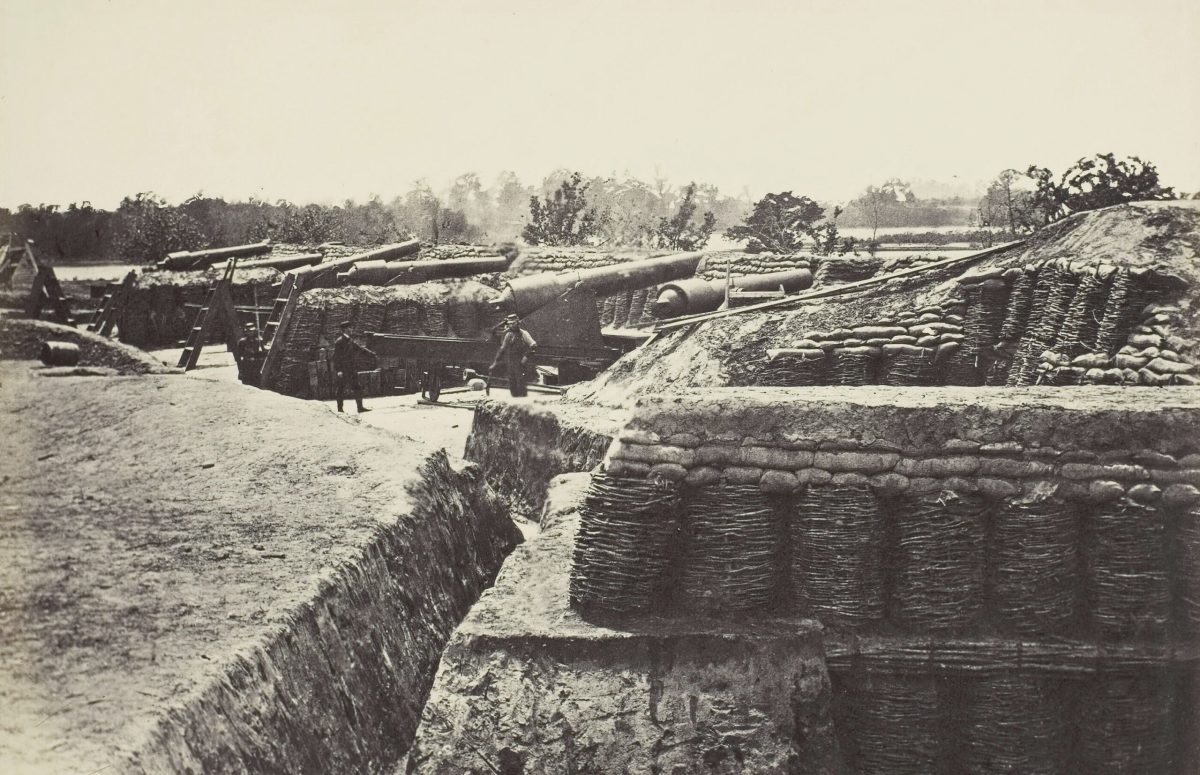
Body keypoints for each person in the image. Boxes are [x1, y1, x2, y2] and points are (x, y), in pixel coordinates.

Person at [330, 321, 377, 413]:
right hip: (343, 370)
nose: (351, 330)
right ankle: (340, 409)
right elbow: (336, 357)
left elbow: (360, 348)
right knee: (341, 389)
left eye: (351, 328)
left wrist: (371, 353)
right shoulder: (339, 342)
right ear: (344, 329)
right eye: (349, 328)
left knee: (357, 388)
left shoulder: (350, 340)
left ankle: (360, 408)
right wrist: (339, 370)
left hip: (351, 369)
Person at [489, 314, 537, 397]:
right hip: (511, 362)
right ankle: (514, 401)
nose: (511, 326)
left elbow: (533, 346)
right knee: (512, 384)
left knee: (521, 384)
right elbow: (502, 349)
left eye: (513, 323)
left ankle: (523, 403)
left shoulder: (523, 333)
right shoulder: (508, 335)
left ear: (518, 323)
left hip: (520, 362)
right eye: (509, 324)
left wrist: (525, 357)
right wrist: (495, 363)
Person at [234, 322, 264, 386]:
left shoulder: (258, 340)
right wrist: (241, 371)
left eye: (253, 331)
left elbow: (262, 352)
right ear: (246, 332)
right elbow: (239, 355)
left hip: (256, 362)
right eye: (249, 331)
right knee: (247, 381)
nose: (251, 333)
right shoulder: (242, 342)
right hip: (247, 362)